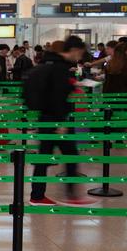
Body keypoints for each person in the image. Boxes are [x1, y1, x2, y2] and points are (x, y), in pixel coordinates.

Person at [27, 36, 94, 206]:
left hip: (46, 118)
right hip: (56, 121)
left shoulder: (50, 64)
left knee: (44, 157)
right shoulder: (60, 68)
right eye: (80, 53)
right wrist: (61, 123)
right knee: (70, 156)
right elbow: (57, 97)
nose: (79, 57)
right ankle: (70, 196)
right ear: (74, 50)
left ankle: (37, 195)